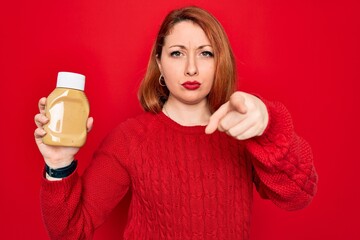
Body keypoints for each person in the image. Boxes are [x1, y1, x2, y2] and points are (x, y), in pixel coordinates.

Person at [34, 6, 318, 240]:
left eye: (205, 53)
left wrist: (267, 125)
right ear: (159, 62)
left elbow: (299, 195)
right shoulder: (130, 139)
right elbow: (70, 231)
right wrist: (58, 164)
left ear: (220, 62)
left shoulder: (242, 129)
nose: (191, 68)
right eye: (177, 53)